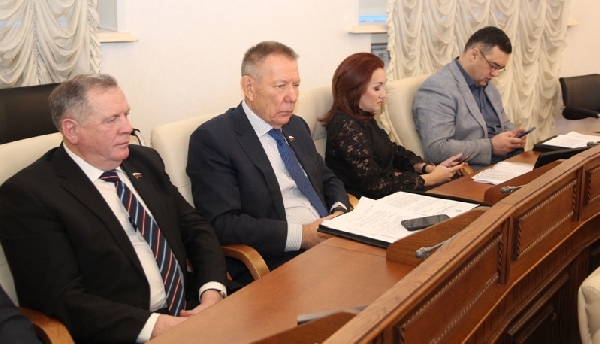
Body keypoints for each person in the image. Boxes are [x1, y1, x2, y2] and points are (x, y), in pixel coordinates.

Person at [0, 74, 230, 343]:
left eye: (126, 115)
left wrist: (212, 290)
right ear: (72, 130)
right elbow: (60, 297)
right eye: (112, 120)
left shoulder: (144, 161)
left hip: (192, 307)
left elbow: (195, 228)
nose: (128, 128)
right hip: (126, 330)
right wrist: (155, 326)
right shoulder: (29, 195)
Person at [187, 41, 350, 285]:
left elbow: (327, 177)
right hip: (280, 260)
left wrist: (339, 212)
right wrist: (304, 236)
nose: (292, 97)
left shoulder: (296, 126)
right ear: (249, 87)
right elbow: (223, 223)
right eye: (280, 86)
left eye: (296, 85)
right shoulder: (214, 139)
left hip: (332, 241)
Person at [320, 53, 463, 199]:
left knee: (457, 186)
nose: (384, 94)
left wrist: (429, 168)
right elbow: (376, 185)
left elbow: (393, 152)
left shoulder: (363, 117)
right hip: (369, 203)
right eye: (377, 88)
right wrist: (430, 179)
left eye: (383, 86)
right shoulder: (346, 126)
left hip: (391, 196)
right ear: (354, 90)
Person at [413, 26, 527, 170]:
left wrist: (514, 136)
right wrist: (491, 147)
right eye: (493, 66)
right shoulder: (438, 88)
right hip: (473, 172)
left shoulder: (487, 83)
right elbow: (436, 149)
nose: (495, 74)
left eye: (499, 68)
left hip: (508, 163)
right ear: (474, 55)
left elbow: (503, 122)